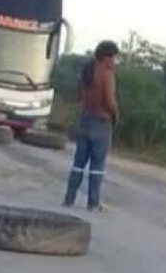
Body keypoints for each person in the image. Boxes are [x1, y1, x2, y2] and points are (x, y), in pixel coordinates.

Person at [63, 40, 120, 211]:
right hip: (101, 121)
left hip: (85, 118)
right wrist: (116, 115)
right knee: (97, 165)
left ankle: (69, 198)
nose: (115, 62)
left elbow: (79, 96)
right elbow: (109, 101)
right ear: (106, 57)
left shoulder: (86, 70)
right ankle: (93, 203)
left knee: (78, 163)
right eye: (114, 58)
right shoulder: (107, 74)